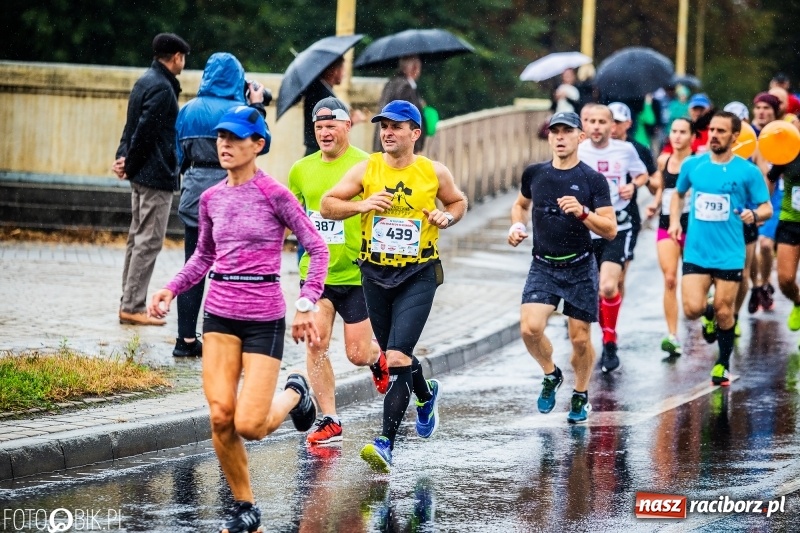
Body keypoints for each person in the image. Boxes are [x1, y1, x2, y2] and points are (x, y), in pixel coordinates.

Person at [148, 106, 329, 533]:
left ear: (258, 145)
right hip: (220, 317)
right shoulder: (211, 198)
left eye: (235, 138)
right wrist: (171, 288)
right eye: (220, 138)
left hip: (263, 320)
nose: (224, 145)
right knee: (219, 415)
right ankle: (246, 508)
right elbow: (204, 257)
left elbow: (317, 248)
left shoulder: (276, 195)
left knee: (250, 425)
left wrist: (307, 301)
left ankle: (295, 393)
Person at [321, 100, 467, 473]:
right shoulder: (367, 168)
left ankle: (385, 442)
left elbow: (458, 200)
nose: (388, 132)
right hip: (374, 273)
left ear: (415, 133)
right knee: (391, 354)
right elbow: (327, 205)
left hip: (419, 272)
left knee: (399, 357)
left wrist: (445, 216)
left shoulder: (433, 172)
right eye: (384, 126)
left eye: (397, 126)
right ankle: (425, 394)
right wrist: (362, 205)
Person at [288, 97, 390, 446]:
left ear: (348, 126)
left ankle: (378, 358)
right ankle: (329, 418)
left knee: (357, 354)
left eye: (331, 126)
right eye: (318, 127)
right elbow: (295, 215)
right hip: (315, 273)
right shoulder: (300, 170)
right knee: (316, 343)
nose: (325, 132)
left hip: (357, 273)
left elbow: (385, 213)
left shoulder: (368, 165)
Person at [508, 111, 616, 424]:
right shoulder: (535, 173)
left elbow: (609, 229)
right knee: (530, 328)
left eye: (566, 132)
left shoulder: (592, 180)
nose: (559, 137)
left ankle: (580, 394)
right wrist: (516, 225)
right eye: (554, 132)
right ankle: (551, 374)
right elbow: (520, 204)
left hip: (581, 267)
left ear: (580, 137)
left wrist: (583, 213)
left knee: (580, 340)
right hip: (543, 265)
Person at [172, 52, 268, 357]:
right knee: (236, 270)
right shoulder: (240, 110)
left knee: (194, 265)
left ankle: (185, 340)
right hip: (233, 195)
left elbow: (179, 157)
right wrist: (257, 106)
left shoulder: (187, 111)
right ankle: (232, 339)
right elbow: (264, 144)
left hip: (195, 198)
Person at [669, 111, 771, 386]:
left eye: (721, 131)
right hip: (697, 251)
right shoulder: (693, 165)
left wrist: (755, 215)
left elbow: (767, 208)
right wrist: (676, 221)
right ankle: (708, 315)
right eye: (712, 130)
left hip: (730, 253)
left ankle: (722, 364)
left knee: (727, 310)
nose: (714, 134)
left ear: (735, 136)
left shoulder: (747, 171)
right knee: (692, 308)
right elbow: (678, 194)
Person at [113, 33, 190, 326]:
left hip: (142, 174)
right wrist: (129, 164)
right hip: (154, 176)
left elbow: (130, 127)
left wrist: (123, 160)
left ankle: (129, 302)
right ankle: (132, 306)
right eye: (183, 58)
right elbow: (143, 132)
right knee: (148, 242)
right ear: (176, 57)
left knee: (137, 239)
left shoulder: (145, 80)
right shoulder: (162, 89)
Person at [578, 105, 648, 373]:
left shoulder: (625, 150)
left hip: (617, 225)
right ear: (585, 126)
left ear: (612, 126)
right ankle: (597, 330)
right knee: (592, 288)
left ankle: (609, 339)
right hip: (585, 227)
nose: (596, 126)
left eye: (602, 122)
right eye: (591, 121)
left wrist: (633, 185)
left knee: (609, 286)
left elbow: (641, 173)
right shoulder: (579, 150)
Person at [646, 118, 696, 356]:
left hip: (694, 227)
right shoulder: (664, 160)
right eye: (674, 131)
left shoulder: (699, 163)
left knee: (695, 280)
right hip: (667, 224)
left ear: (692, 137)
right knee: (669, 279)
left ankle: (707, 313)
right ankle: (672, 335)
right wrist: (654, 204)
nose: (676, 136)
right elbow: (662, 188)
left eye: (682, 132)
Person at [608, 102, 658, 296]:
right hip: (595, 219)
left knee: (618, 278)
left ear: (628, 123)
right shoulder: (590, 149)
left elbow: (655, 183)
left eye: (618, 122)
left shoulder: (638, 150)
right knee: (595, 277)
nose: (613, 127)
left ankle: (610, 326)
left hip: (627, 219)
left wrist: (638, 183)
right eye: (609, 121)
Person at [767, 154, 800, 338]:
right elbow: (771, 178)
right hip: (791, 222)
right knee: (785, 280)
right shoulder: (789, 151)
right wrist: (764, 206)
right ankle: (798, 301)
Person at [373, 56, 426, 154]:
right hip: (399, 148)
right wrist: (416, 145)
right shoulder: (405, 87)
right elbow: (409, 121)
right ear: (414, 68)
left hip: (384, 145)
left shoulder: (391, 83)